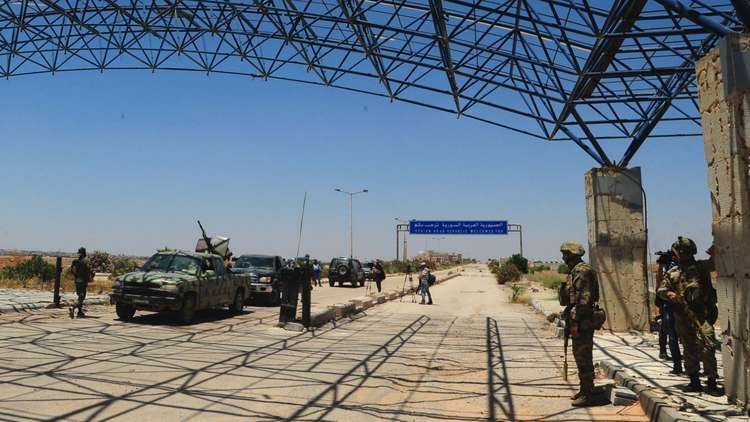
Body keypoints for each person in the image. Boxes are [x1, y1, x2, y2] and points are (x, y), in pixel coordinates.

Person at [657, 237, 721, 394]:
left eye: (682, 252)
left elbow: (714, 263)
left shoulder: (701, 267)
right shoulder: (674, 273)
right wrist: (670, 294)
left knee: (708, 346)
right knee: (689, 349)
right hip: (684, 316)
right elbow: (661, 290)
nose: (681, 255)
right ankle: (694, 382)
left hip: (702, 315)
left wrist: (717, 244)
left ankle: (711, 381)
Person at [558, 241, 599, 407]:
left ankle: (588, 394)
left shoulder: (582, 271)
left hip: (583, 321)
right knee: (580, 356)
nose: (563, 258)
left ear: (572, 255)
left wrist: (575, 322)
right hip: (579, 319)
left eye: (565, 254)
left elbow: (583, 300)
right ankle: (584, 389)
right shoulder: (575, 271)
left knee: (584, 357)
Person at [655, 250, 682, 374]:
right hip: (666, 302)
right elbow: (659, 283)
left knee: (671, 332)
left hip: (672, 303)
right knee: (667, 329)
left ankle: (678, 364)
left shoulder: (677, 268)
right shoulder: (667, 269)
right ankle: (664, 351)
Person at [69, 247, 92, 318]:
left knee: (80, 295)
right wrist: (89, 278)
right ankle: (73, 307)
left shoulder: (75, 261)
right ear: (84, 253)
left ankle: (80, 312)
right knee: (82, 297)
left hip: (77, 280)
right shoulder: (86, 261)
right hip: (83, 280)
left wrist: (76, 275)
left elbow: (71, 270)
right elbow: (88, 270)